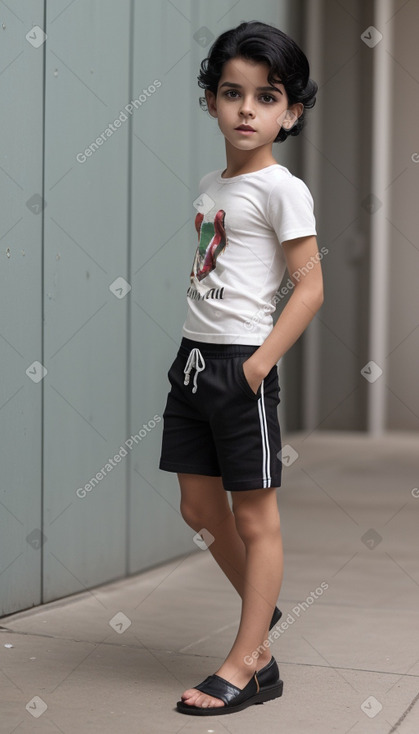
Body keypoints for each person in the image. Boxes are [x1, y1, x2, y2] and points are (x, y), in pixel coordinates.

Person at [159, 19, 324, 716]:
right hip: (192, 362)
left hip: (239, 367)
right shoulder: (209, 184)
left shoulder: (282, 189)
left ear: (290, 113)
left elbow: (309, 286)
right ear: (210, 101)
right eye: (233, 93)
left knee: (255, 519)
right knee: (198, 508)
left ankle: (248, 657)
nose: (247, 109)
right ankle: (263, 619)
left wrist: (255, 368)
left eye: (266, 97)